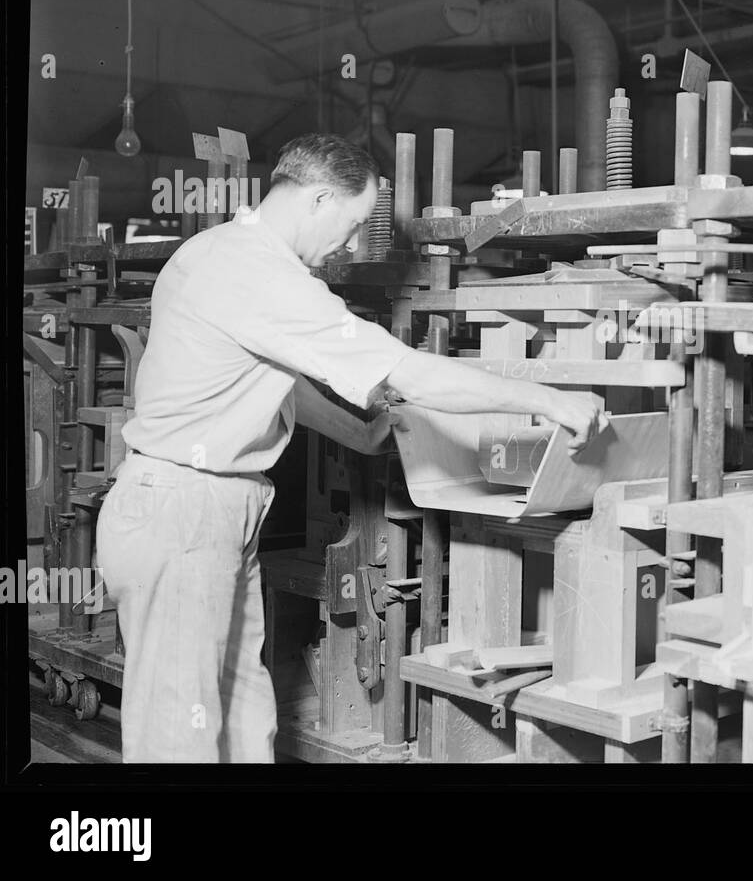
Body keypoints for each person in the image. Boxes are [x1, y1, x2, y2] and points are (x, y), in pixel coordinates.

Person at [96, 133, 607, 762]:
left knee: (243, 715)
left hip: (211, 510)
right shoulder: (261, 273)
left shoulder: (215, 252)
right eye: (355, 221)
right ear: (317, 199)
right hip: (184, 513)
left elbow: (264, 379)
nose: (352, 241)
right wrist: (549, 401)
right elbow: (408, 373)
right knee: (182, 734)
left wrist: (358, 432)